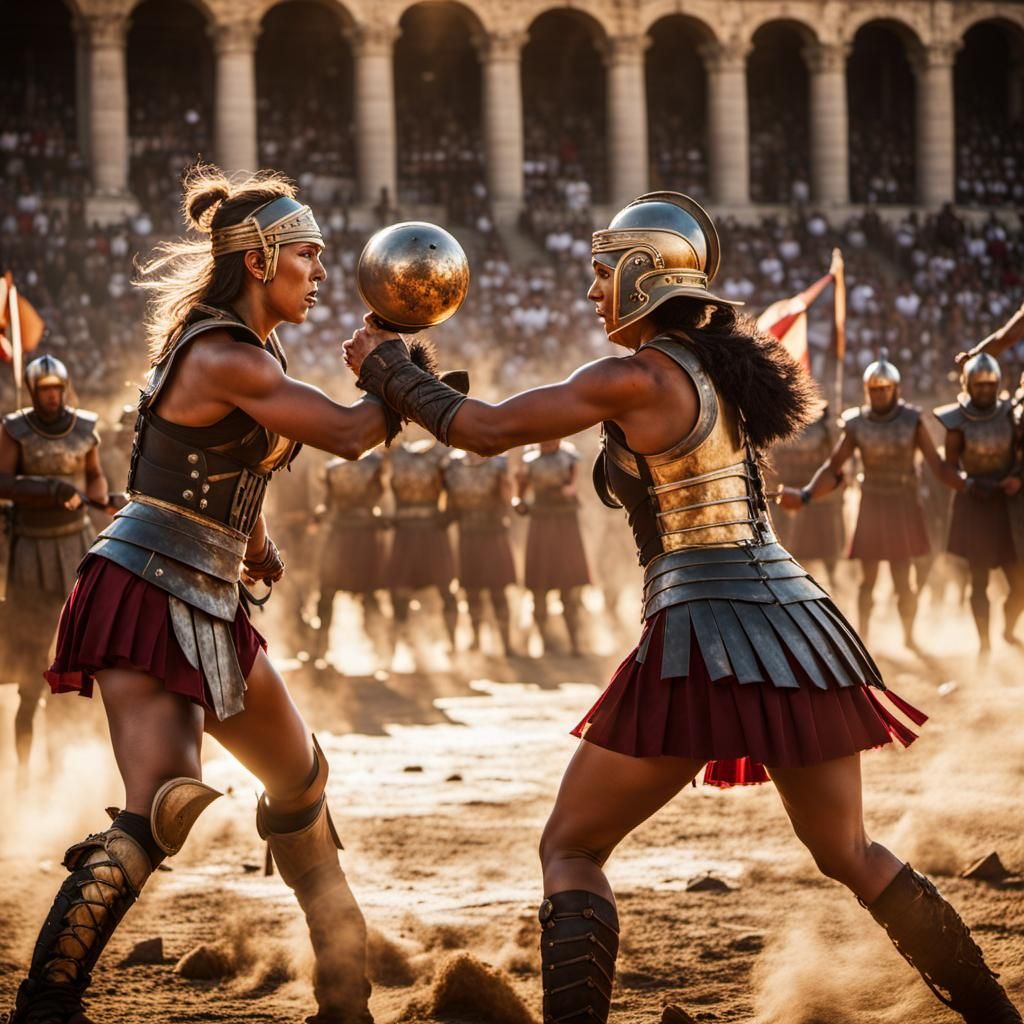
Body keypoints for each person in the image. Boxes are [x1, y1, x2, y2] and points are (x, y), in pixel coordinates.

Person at [344, 191, 1021, 1024]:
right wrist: (408, 377)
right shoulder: (720, 375)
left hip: (706, 627)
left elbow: (484, 431)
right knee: (849, 850)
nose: (592, 294)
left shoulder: (634, 376)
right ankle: (997, 1018)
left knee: (571, 846)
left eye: (601, 276)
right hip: (796, 622)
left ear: (642, 279)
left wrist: (386, 368)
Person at [6, 166, 390, 1024]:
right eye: (307, 254)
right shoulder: (222, 354)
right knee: (163, 803)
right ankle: (48, 1000)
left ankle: (345, 1000)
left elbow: (195, 463)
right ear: (258, 261)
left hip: (199, 587)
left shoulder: (237, 350)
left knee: (299, 784)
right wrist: (397, 356)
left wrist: (253, 544)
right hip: (145, 586)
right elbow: (352, 433)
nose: (320, 271)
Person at [781, 353, 960, 650]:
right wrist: (807, 494)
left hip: (903, 502)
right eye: (875, 390)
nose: (879, 395)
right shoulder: (857, 424)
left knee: (903, 578)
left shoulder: (912, 421)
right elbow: (833, 466)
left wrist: (966, 483)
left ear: (895, 390)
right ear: (867, 391)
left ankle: (908, 637)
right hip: (873, 503)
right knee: (869, 579)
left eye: (884, 389)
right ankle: (863, 637)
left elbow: (938, 466)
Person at [0, 355, 112, 779]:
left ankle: (69, 763)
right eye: (43, 390)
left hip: (75, 547)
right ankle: (26, 771)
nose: (50, 396)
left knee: (83, 651)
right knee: (32, 671)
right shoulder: (14, 429)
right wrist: (49, 487)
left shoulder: (84, 426)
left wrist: (101, 499)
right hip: (30, 552)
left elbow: (95, 476)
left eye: (55, 389)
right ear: (33, 391)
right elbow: (1, 481)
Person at [933, 353, 1024, 653]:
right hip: (976, 504)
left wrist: (1018, 478)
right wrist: (968, 483)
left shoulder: (1012, 413)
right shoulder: (957, 420)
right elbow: (947, 468)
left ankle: (1008, 631)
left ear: (997, 384)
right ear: (968, 385)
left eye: (990, 384)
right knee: (979, 580)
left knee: (1020, 584)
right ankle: (984, 644)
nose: (985, 390)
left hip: (1009, 505)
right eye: (979, 385)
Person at [312, 450, 389, 665]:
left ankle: (381, 649)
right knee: (328, 592)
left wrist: (320, 514)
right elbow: (327, 505)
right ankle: (321, 646)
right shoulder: (337, 466)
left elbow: (326, 506)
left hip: (357, 537)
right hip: (349, 536)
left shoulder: (339, 466)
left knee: (367, 596)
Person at [515, 440, 591, 655]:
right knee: (539, 589)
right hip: (540, 525)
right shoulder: (528, 460)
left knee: (569, 591)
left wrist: (569, 491)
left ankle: (575, 643)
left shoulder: (570, 458)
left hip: (565, 526)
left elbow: (577, 488)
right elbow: (518, 497)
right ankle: (546, 644)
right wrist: (519, 503)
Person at [385, 433, 459, 653]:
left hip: (433, 534)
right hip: (405, 534)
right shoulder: (395, 456)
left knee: (446, 590)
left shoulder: (444, 456)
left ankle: (453, 646)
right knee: (399, 593)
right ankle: (394, 651)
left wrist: (447, 516)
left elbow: (455, 492)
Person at [443, 449, 517, 654]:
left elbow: (507, 499)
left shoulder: (498, 463)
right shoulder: (452, 465)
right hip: (468, 535)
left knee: (497, 591)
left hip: (493, 534)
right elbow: (450, 504)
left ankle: (506, 644)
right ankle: (476, 641)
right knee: (471, 591)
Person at [766, 401, 845, 590]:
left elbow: (837, 468)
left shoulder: (827, 428)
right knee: (788, 552)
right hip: (784, 494)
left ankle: (834, 584)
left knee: (828, 553)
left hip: (819, 495)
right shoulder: (775, 421)